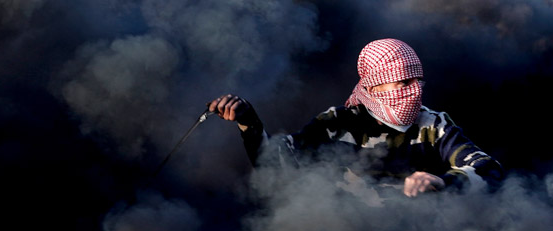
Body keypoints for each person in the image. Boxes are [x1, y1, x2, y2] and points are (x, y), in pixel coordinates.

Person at [208, 38, 503, 197]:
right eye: (402, 83)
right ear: (373, 86)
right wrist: (249, 122)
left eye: (418, 82)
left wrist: (443, 182)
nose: (414, 92)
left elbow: (488, 170)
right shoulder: (337, 123)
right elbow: (276, 165)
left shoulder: (434, 125)